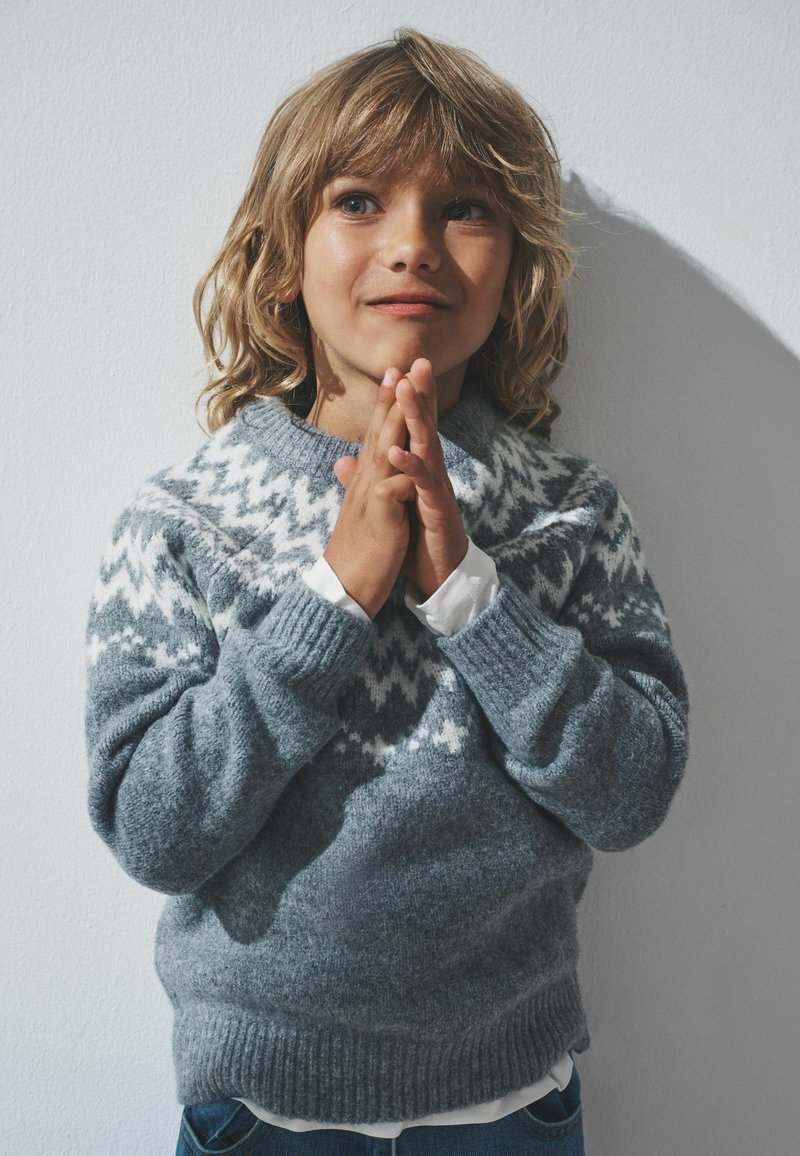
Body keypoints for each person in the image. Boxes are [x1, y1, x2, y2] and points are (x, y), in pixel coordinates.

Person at [83, 27, 690, 1156]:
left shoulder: (571, 513)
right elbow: (154, 828)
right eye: (358, 199)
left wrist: (467, 591)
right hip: (260, 1108)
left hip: (510, 1099)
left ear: (515, 268)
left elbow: (632, 791)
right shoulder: (184, 520)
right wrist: (332, 593)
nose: (411, 245)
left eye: (465, 208)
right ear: (280, 253)